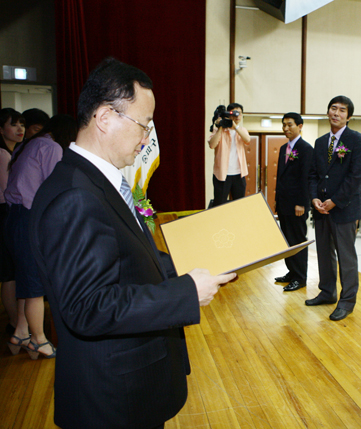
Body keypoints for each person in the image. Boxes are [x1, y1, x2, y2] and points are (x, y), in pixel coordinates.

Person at [29, 58, 236, 429]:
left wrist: (191, 264)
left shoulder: (93, 181)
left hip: (127, 389)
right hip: (113, 400)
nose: (146, 139)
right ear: (105, 117)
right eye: (144, 125)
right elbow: (87, 307)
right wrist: (186, 292)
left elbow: (125, 259)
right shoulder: (75, 195)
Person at [5, 114, 78, 360]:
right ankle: (39, 339)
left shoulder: (32, 143)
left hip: (13, 216)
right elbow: (54, 188)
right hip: (28, 217)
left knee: (25, 279)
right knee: (35, 283)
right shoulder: (51, 147)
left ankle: (21, 331)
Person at [307, 95, 361, 321]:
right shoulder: (320, 142)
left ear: (349, 116)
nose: (336, 113)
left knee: (346, 257)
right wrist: (314, 198)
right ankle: (327, 292)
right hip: (321, 208)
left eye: (342, 110)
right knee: (324, 253)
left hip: (344, 208)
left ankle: (347, 301)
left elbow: (354, 177)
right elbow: (313, 174)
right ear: (327, 111)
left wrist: (335, 201)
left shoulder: (357, 140)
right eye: (333, 108)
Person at [274, 112, 313, 292]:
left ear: (300, 126)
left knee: (297, 240)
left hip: (297, 204)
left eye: (290, 125)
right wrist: (277, 201)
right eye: (284, 125)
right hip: (284, 203)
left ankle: (300, 277)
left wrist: (302, 203)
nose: (286, 128)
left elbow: (306, 178)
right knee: (287, 240)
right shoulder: (283, 148)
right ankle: (291, 271)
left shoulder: (306, 149)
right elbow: (281, 178)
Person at [0, 108, 25, 336]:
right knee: (8, 273)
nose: (20, 129)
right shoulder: (2, 155)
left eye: (22, 125)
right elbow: (8, 192)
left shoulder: (14, 153)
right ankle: (15, 323)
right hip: (4, 214)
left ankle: (17, 322)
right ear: (1, 129)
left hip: (8, 212)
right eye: (14, 124)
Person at [208, 103, 251, 206]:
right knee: (219, 205)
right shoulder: (219, 130)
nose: (237, 116)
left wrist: (235, 127)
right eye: (234, 113)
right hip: (222, 175)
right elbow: (212, 145)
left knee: (239, 205)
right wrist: (220, 127)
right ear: (228, 114)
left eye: (239, 113)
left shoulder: (242, 130)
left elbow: (247, 140)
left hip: (239, 174)